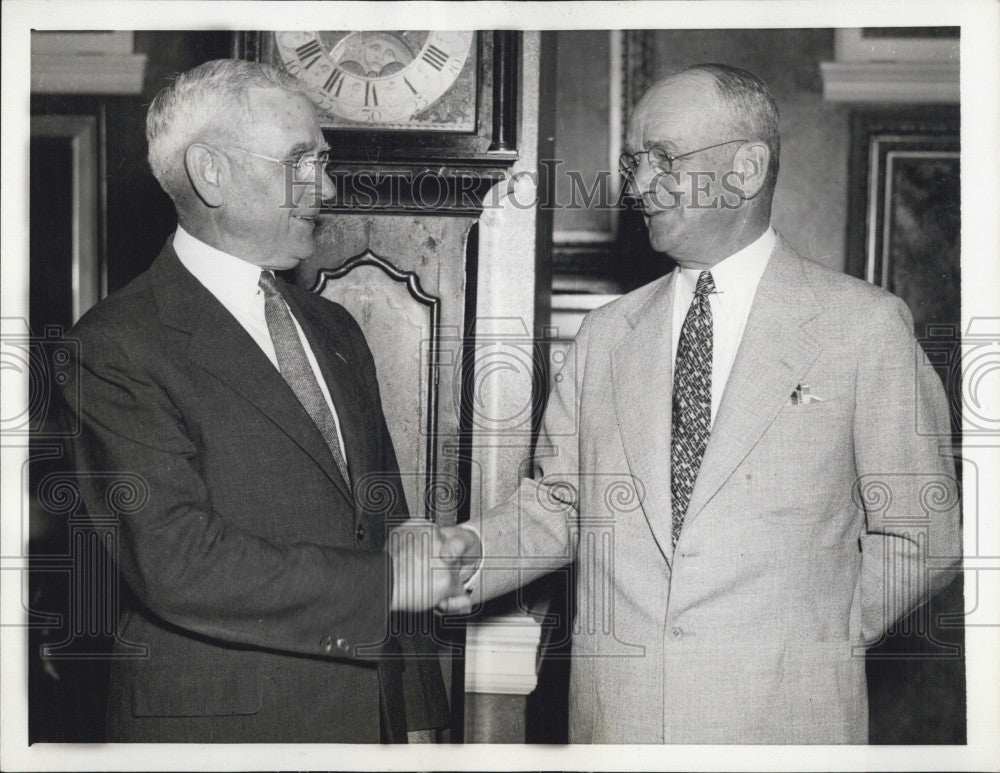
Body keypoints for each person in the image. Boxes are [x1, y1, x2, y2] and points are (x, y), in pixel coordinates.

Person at [469, 63, 961, 743]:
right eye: (633, 161)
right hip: (618, 729)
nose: (638, 185)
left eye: (663, 158)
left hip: (784, 727)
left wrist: (814, 635)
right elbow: (561, 506)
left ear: (747, 168)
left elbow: (923, 534)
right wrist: (463, 552)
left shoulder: (863, 327)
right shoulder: (605, 335)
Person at [58, 59, 478, 743]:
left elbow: (381, 523)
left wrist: (419, 718)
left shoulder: (334, 328)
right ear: (210, 171)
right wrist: (387, 587)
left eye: (323, 161)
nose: (329, 187)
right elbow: (177, 560)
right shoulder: (114, 346)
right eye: (301, 162)